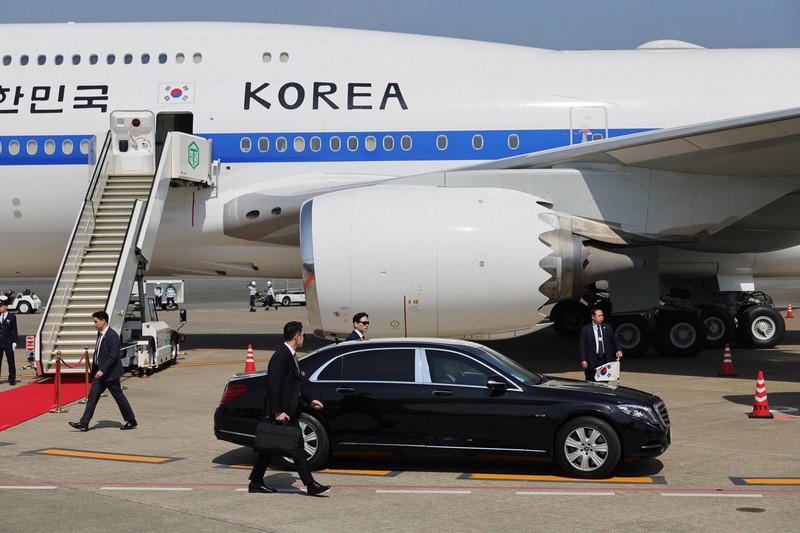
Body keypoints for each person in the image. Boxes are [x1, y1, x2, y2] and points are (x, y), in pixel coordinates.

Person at [248, 321, 330, 496]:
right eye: (303, 335)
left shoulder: (290, 355)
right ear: (297, 336)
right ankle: (310, 484)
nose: (303, 338)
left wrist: (311, 399)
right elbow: (273, 385)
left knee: (271, 447)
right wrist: (278, 411)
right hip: (282, 412)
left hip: (288, 410)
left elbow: (296, 383)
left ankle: (255, 481)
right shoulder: (281, 356)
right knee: (294, 447)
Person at [69, 311, 137, 431]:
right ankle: (84, 423)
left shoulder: (112, 335)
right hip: (99, 374)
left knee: (119, 397)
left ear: (103, 321)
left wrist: (102, 370)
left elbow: (113, 356)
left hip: (110, 374)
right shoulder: (100, 334)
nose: (93, 324)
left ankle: (131, 420)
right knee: (92, 397)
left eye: (95, 321)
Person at [579, 307, 622, 381]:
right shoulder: (586, 329)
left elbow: (615, 340)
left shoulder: (608, 327)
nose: (601, 318)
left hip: (605, 360)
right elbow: (582, 346)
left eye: (602, 316)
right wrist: (583, 359)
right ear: (593, 317)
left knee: (604, 381)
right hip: (592, 360)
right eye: (599, 316)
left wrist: (618, 350)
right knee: (591, 380)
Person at [0, 298, 19, 385]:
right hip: (0, 342)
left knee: (10, 361)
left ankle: (12, 379)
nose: (0, 308)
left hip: (8, 342)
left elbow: (14, 330)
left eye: (1, 306)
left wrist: (15, 341)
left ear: (5, 307)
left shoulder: (12, 317)